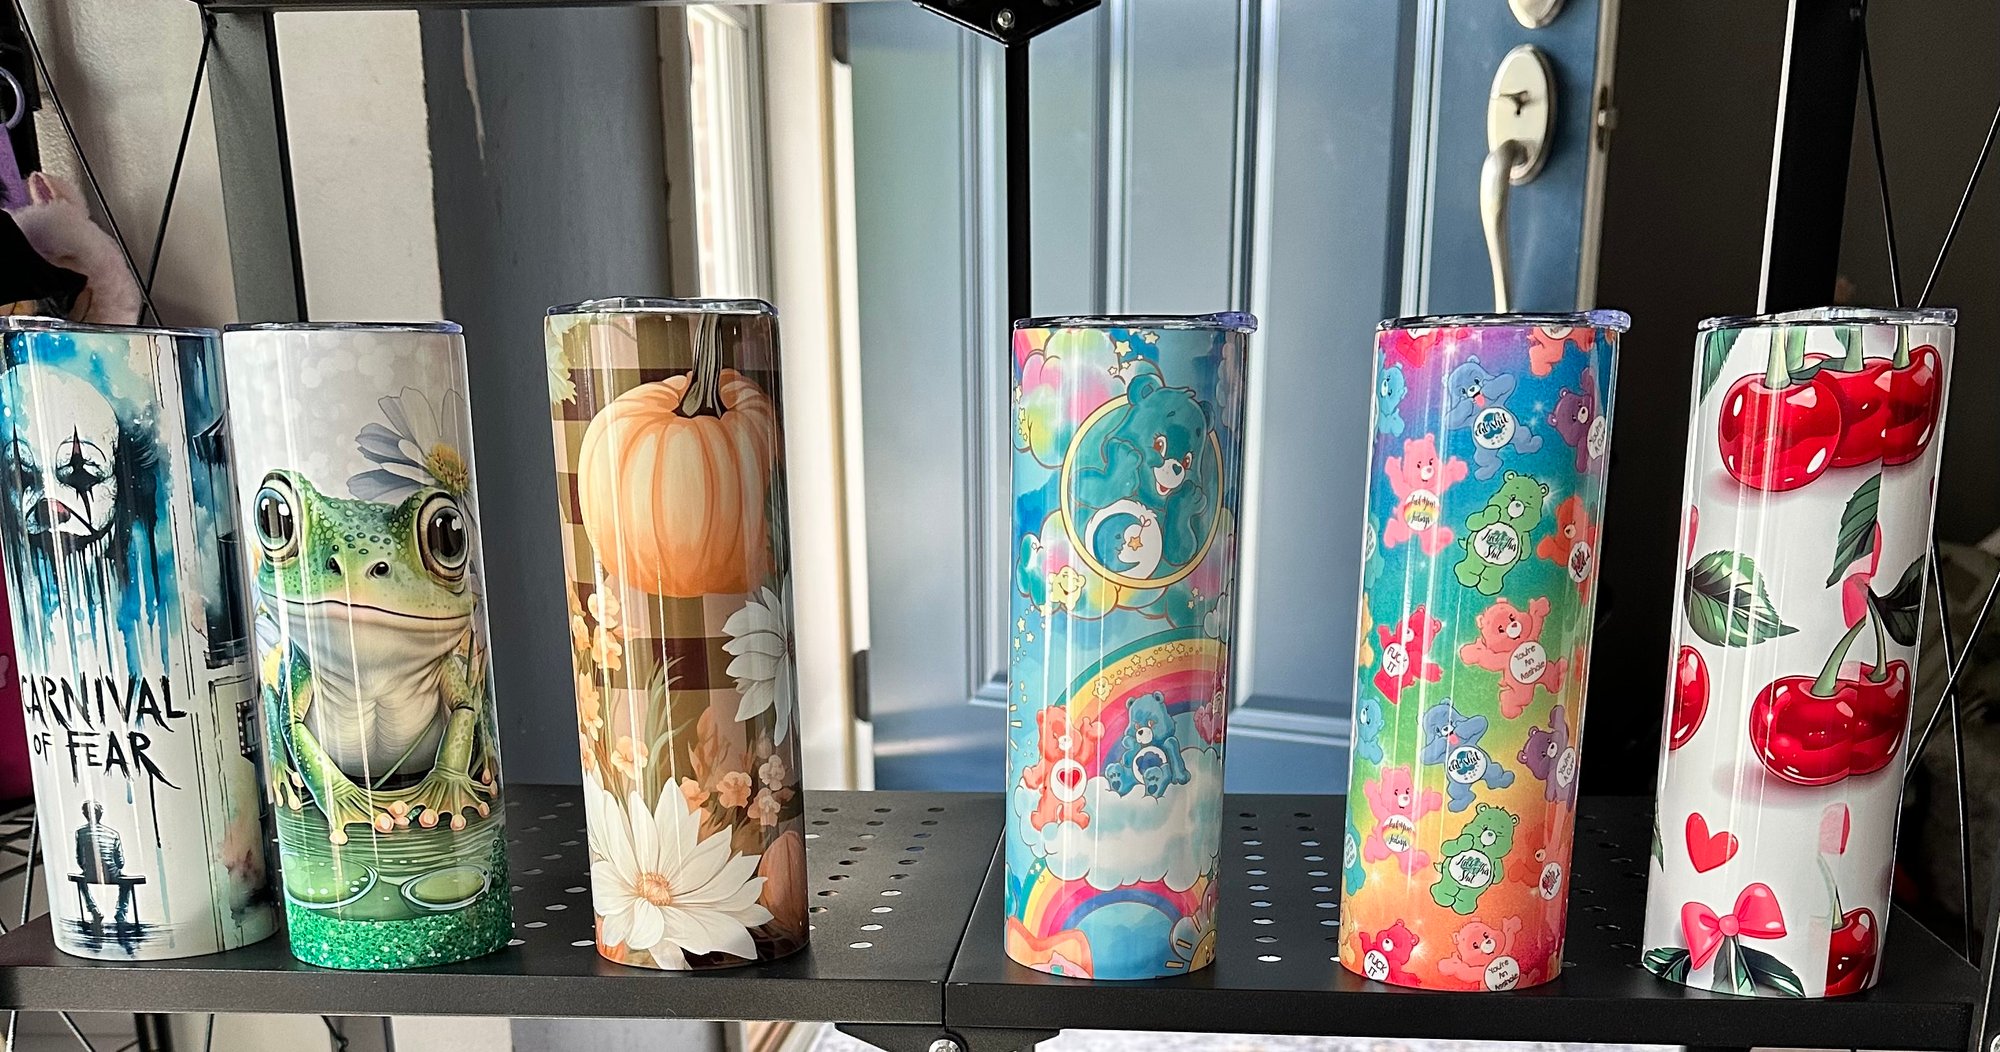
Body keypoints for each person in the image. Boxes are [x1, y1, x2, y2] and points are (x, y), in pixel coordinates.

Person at [74, 801, 132, 926]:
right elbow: (120, 862)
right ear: (101, 814)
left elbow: (79, 858)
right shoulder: (113, 834)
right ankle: (121, 912)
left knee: (81, 881)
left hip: (89, 873)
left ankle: (93, 909)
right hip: (112, 873)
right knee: (126, 884)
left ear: (85, 814)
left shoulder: (80, 832)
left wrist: (86, 867)